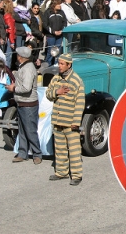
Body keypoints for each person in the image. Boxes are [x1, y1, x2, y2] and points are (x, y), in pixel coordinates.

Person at [46, 53, 85, 186]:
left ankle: (76, 175)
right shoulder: (56, 78)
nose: (59, 66)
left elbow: (80, 103)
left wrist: (76, 122)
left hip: (70, 122)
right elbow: (48, 94)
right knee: (60, 148)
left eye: (62, 64)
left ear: (69, 65)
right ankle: (61, 172)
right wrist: (56, 92)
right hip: (57, 120)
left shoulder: (76, 80)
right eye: (59, 63)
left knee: (74, 149)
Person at [5, 46, 42, 164]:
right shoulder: (24, 67)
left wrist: (13, 88)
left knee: (30, 130)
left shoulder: (28, 69)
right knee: (22, 130)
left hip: (28, 104)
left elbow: (26, 88)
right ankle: (22, 152)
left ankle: (37, 154)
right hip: (22, 103)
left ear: (20, 57)